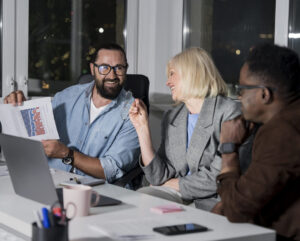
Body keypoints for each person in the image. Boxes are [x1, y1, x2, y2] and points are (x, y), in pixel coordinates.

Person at [4, 43, 140, 183]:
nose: (112, 75)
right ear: (93, 69)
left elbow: (111, 169)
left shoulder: (134, 113)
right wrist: (21, 107)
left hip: (95, 191)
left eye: (119, 68)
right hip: (50, 180)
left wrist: (66, 154)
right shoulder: (67, 96)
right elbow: (37, 132)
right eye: (104, 67)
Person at [129, 47, 241, 210]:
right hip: (177, 194)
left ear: (192, 73)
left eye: (172, 74)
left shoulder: (229, 112)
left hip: (215, 199)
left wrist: (175, 183)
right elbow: (157, 176)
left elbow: (220, 175)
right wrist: (142, 128)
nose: (168, 82)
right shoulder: (172, 117)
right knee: (140, 200)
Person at [212, 43, 300, 240]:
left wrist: (228, 148)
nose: (239, 96)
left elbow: (237, 209)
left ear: (264, 94)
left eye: (242, 89)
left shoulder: (282, 132)